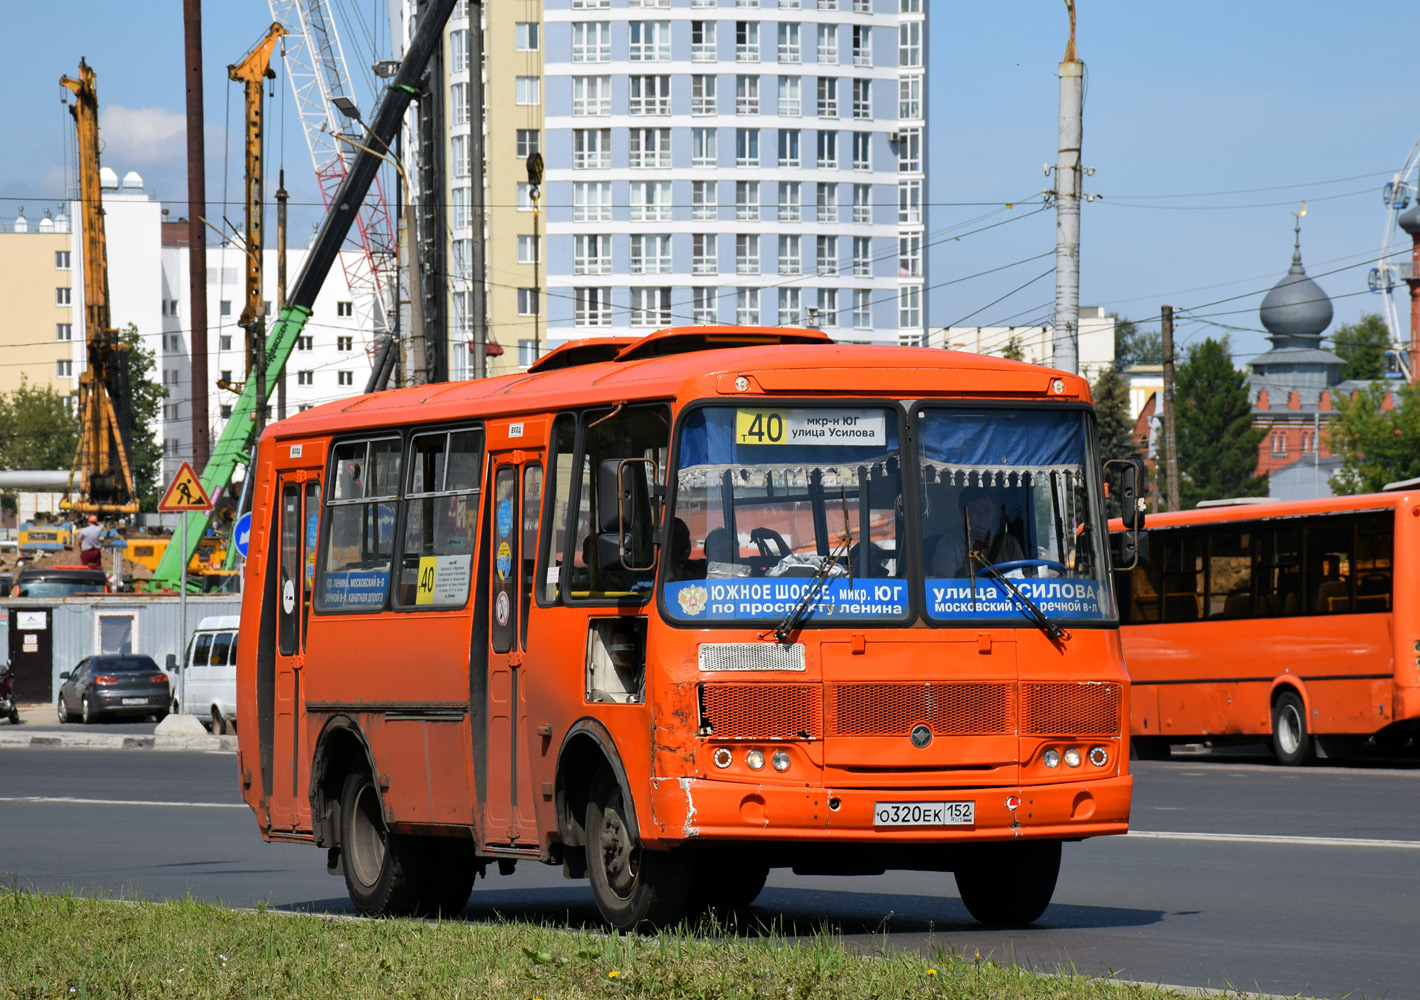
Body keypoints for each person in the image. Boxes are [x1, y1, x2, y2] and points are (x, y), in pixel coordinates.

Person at [928, 486, 1022, 577]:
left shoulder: (1008, 543)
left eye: (986, 511)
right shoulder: (949, 543)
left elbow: (1026, 578)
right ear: (963, 514)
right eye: (974, 512)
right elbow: (944, 584)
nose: (982, 518)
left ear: (993, 511)